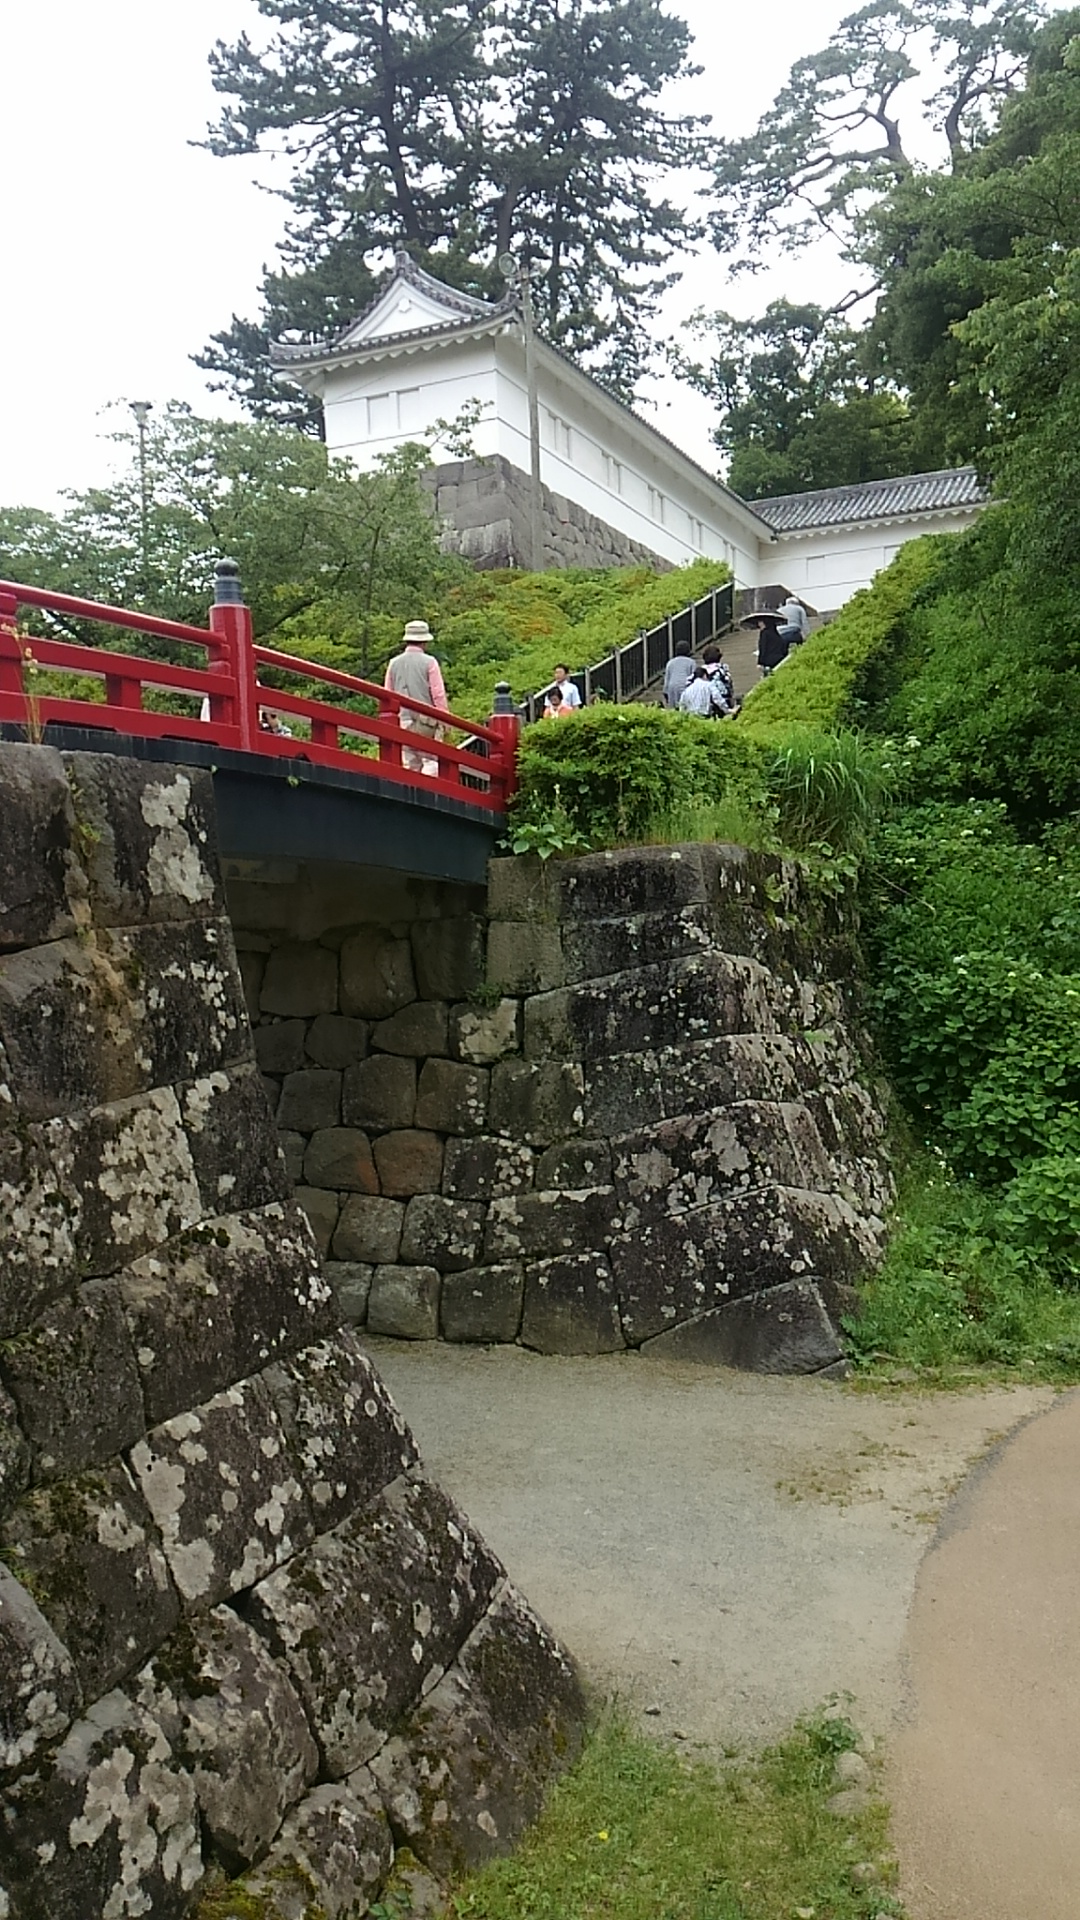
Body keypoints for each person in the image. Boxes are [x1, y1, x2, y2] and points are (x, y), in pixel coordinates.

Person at [384, 619, 449, 775]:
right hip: (427, 720)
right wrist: (445, 719)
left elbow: (387, 693)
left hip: (401, 719)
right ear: (425, 641)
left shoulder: (394, 663)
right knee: (430, 760)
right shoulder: (429, 662)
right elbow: (438, 694)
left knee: (409, 763)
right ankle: (428, 794)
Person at [702, 644, 737, 716]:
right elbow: (729, 685)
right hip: (723, 702)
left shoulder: (701, 671)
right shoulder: (722, 669)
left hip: (706, 703)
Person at [663, 637, 696, 709]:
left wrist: (665, 692)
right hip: (685, 686)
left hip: (672, 687)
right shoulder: (691, 662)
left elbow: (667, 679)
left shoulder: (670, 662)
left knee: (673, 708)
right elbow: (693, 677)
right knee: (685, 707)